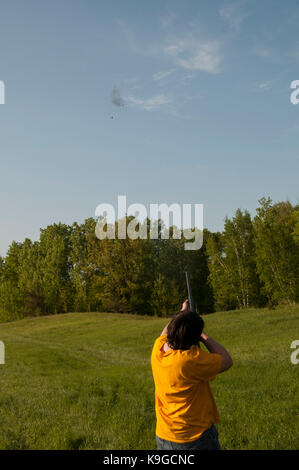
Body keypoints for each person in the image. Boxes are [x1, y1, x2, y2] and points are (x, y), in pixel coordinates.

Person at [151, 300, 233, 450]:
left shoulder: (158, 350)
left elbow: (167, 330)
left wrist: (183, 314)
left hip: (164, 435)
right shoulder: (190, 360)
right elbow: (227, 360)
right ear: (194, 337)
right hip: (194, 438)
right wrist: (202, 335)